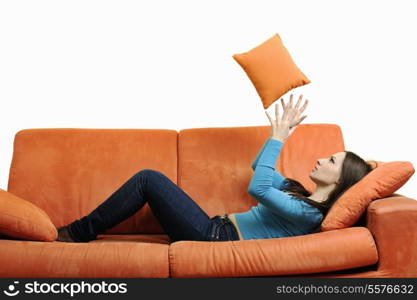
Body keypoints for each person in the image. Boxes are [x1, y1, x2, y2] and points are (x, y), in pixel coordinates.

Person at [56, 94, 373, 243]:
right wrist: (281, 133)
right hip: (213, 227)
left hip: (214, 237)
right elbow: (257, 168)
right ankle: (78, 232)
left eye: (331, 161)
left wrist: (277, 139)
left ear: (342, 179)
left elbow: (258, 188)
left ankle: (77, 233)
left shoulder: (309, 214)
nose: (320, 160)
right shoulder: (297, 193)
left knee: (148, 179)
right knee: (148, 179)